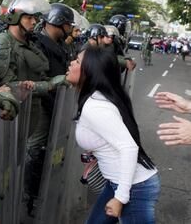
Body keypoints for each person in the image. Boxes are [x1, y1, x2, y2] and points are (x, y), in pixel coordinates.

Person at [0, 0, 70, 215]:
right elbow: (9, 87)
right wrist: (49, 85)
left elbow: (37, 75)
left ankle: (15, 208)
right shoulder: (2, 45)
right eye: (29, 17)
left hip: (29, 117)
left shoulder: (30, 44)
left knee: (17, 167)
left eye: (35, 18)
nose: (34, 22)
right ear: (14, 17)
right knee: (2, 172)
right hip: (9, 119)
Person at [66, 46, 159, 223]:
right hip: (118, 182)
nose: (71, 63)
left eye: (77, 61)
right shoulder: (97, 97)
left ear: (90, 71)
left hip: (134, 187)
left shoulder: (96, 107)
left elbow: (129, 147)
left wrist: (120, 198)